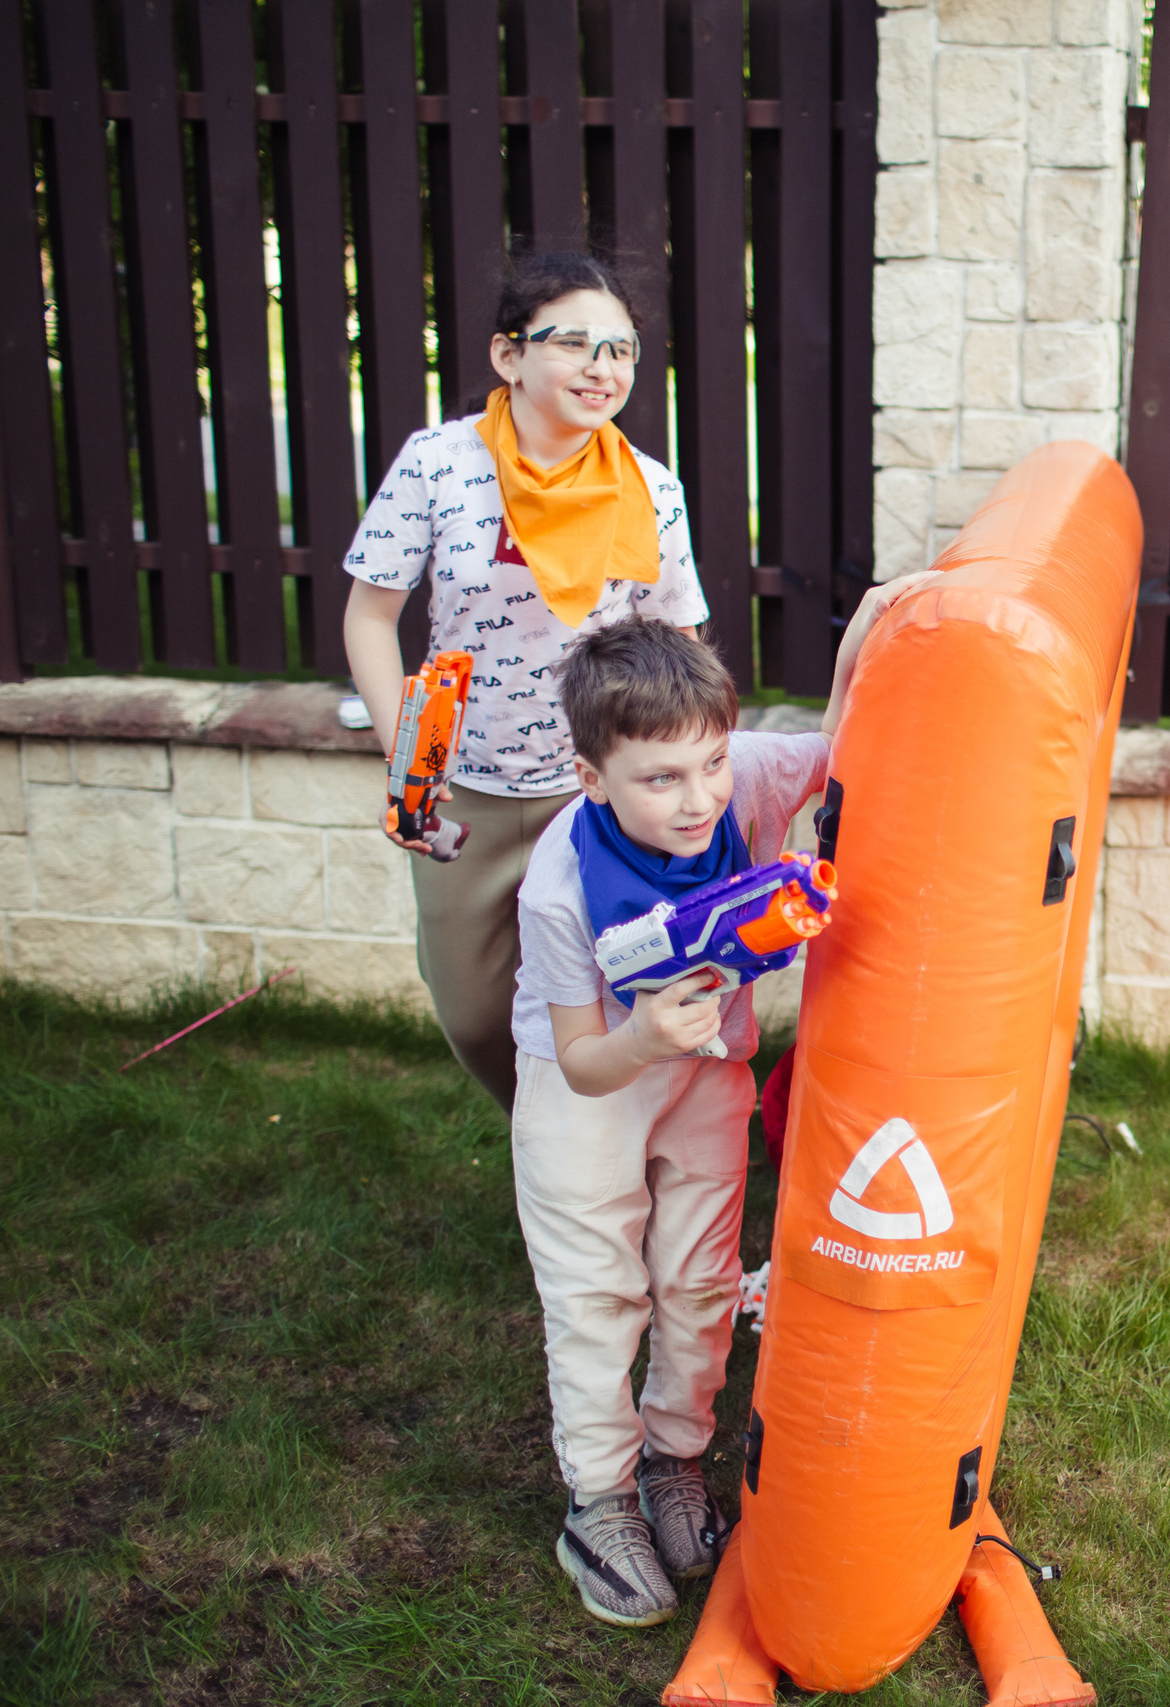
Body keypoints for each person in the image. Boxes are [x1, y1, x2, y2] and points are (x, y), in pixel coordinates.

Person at [512, 593, 931, 1628]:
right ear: (591, 776)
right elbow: (581, 1060)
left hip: (706, 1068)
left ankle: (673, 1461)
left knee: (698, 1280)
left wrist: (867, 625)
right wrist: (647, 1034)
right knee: (598, 1290)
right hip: (592, 1083)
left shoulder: (738, 776)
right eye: (660, 779)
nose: (698, 798)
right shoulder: (559, 884)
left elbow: (839, 743)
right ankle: (599, 1502)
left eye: (708, 764)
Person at [340, 251, 702, 1113]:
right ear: (510, 356)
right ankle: (541, 1127)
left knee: (612, 994)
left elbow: (678, 639)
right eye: (572, 344)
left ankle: (598, 1158)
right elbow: (368, 617)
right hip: (464, 785)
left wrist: (686, 771)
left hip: (599, 793)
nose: (600, 367)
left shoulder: (649, 488)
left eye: (619, 350)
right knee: (470, 1012)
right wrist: (409, 765)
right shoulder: (438, 464)